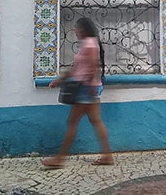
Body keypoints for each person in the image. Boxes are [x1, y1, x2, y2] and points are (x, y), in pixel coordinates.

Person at [42, 17, 114, 168]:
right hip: (89, 88)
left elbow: (94, 65)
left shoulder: (89, 44)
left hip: (85, 89)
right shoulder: (88, 44)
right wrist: (60, 80)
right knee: (96, 121)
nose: (76, 31)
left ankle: (59, 159)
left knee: (72, 122)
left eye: (77, 28)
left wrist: (91, 85)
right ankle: (107, 155)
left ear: (84, 29)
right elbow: (76, 68)